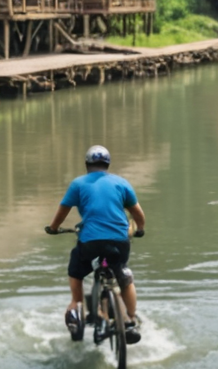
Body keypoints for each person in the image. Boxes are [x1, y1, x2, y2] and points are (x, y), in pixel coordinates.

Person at [46, 145, 146, 344]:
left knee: (76, 271)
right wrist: (140, 229)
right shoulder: (121, 183)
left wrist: (53, 228)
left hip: (90, 242)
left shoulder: (78, 184)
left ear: (86, 164)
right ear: (107, 164)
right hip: (119, 241)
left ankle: (77, 304)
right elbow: (138, 214)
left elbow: (62, 211)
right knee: (123, 274)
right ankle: (130, 321)